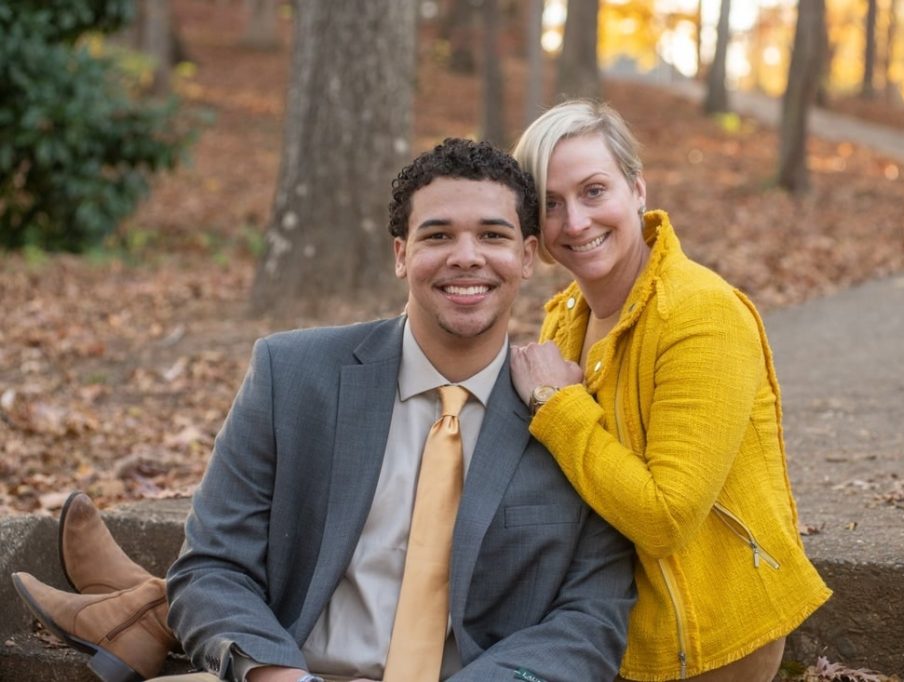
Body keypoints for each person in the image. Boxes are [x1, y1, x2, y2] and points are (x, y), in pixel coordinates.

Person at [11, 138, 636, 682]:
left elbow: (592, 616)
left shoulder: (568, 413)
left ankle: (130, 617)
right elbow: (212, 567)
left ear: (528, 257)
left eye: (492, 236)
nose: (466, 256)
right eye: (438, 235)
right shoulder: (294, 375)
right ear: (400, 254)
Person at [509, 100, 832, 682]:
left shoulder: (701, 314)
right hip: (604, 620)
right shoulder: (565, 317)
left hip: (705, 638)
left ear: (637, 189)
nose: (575, 222)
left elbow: (666, 518)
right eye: (550, 204)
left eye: (593, 191)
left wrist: (557, 407)